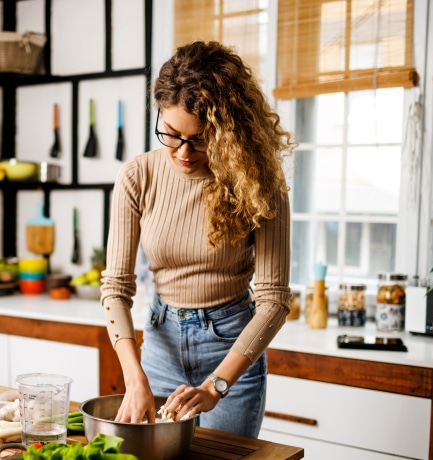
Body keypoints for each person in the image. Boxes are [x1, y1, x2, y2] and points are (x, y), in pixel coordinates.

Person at [100, 40, 294, 438]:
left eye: (201, 139)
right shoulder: (138, 176)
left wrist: (216, 386)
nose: (184, 152)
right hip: (159, 346)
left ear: (229, 132)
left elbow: (273, 302)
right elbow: (115, 289)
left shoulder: (259, 183)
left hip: (231, 349)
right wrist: (135, 378)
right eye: (171, 134)